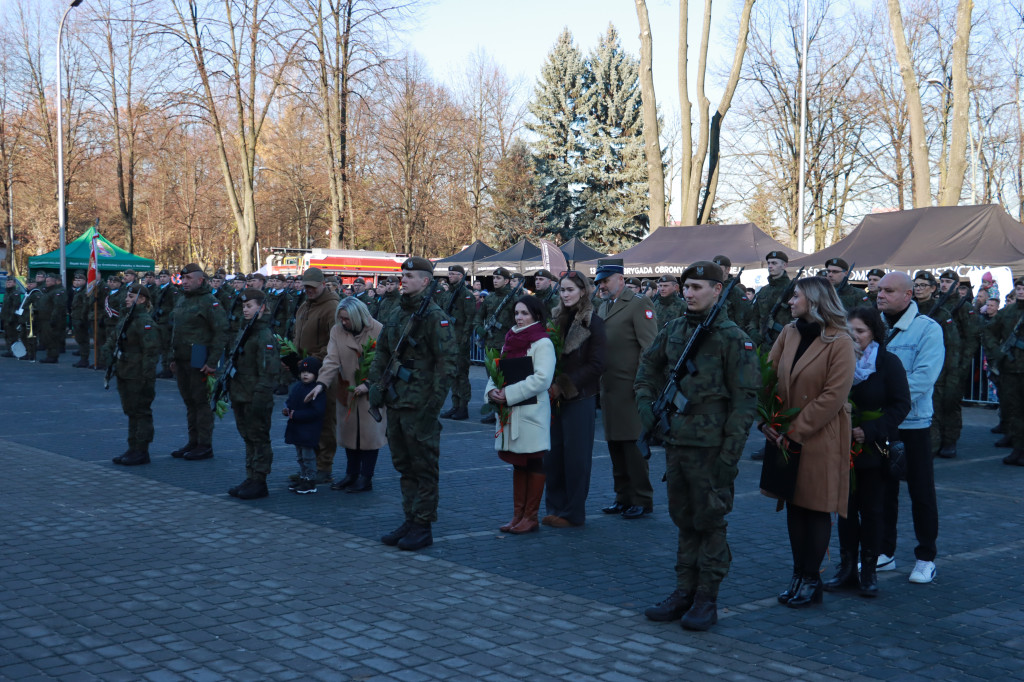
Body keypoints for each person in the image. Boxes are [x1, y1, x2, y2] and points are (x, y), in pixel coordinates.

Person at [636, 261, 758, 631]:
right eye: (685, 286)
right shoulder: (674, 329)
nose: (688, 293)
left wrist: (730, 456)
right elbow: (648, 368)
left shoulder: (733, 337)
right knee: (684, 520)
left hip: (712, 446)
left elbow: (745, 401)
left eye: (697, 287)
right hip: (676, 440)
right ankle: (683, 591)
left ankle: (707, 597)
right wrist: (646, 405)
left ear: (717, 290)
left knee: (710, 522)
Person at [762, 276, 856, 609]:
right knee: (794, 504)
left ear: (814, 300)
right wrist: (766, 420)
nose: (790, 301)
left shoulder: (840, 341)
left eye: (796, 295)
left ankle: (811, 579)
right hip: (785, 433)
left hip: (820, 435)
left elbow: (834, 396)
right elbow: (768, 375)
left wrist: (795, 430)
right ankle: (798, 574)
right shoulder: (789, 333)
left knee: (815, 507)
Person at [369, 257, 456, 551]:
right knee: (404, 465)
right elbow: (382, 352)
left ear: (425, 281)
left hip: (420, 406)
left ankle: (423, 525)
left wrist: (433, 407)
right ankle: (410, 518)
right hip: (396, 400)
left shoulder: (435, 317)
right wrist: (375, 386)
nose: (403, 280)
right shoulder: (395, 311)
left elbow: (447, 365)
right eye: (402, 275)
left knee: (424, 467)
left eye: (410, 276)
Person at [824, 306, 910, 597]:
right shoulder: (838, 360)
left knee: (872, 511)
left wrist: (870, 430)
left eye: (860, 331)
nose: (854, 336)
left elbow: (901, 405)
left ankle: (868, 570)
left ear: (874, 332)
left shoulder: (888, 362)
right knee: (846, 511)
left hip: (874, 449)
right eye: (849, 331)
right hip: (842, 448)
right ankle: (846, 568)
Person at [875, 271, 944, 583]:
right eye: (879, 290)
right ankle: (884, 552)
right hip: (880, 423)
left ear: (907, 295)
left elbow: (924, 376)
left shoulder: (927, 329)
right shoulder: (872, 326)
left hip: (913, 423)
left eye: (888, 290)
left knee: (921, 492)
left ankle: (926, 557)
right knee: (883, 491)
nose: (880, 294)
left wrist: (886, 399)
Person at [485, 295, 556, 534]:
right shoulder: (510, 339)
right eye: (517, 313)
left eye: (525, 313)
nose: (519, 317)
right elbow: (497, 370)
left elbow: (542, 379)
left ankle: (530, 517)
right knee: (518, 462)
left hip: (531, 410)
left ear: (536, 315)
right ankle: (517, 515)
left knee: (533, 459)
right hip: (511, 411)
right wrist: (492, 391)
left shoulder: (542, 342)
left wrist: (510, 393)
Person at [543, 270, 606, 529]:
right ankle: (555, 507)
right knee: (553, 455)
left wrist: (563, 385)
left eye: (570, 289)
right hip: (553, 397)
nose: (565, 294)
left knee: (576, 458)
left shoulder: (594, 322)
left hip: (579, 397)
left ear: (583, 291)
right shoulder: (555, 318)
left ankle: (573, 513)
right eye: (562, 290)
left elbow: (597, 364)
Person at [595, 259, 658, 519]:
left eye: (606, 281)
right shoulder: (602, 306)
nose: (601, 286)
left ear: (620, 279)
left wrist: (643, 384)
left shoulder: (638, 303)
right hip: (609, 388)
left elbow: (649, 347)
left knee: (632, 446)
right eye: (599, 282)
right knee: (615, 445)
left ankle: (642, 499)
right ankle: (622, 496)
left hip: (630, 387)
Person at [306, 296, 388, 493]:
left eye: (347, 319)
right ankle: (351, 474)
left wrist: (370, 385)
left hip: (371, 393)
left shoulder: (379, 330)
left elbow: (387, 363)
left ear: (358, 317)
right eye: (341, 318)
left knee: (369, 438)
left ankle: (366, 478)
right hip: (347, 390)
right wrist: (321, 384)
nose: (343, 322)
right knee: (350, 436)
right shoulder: (337, 331)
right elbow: (331, 360)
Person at [223, 288, 279, 500]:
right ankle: (251, 476)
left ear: (262, 308)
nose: (245, 310)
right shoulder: (246, 331)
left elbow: (268, 372)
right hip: (241, 394)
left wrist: (259, 399)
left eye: (249, 306)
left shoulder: (264, 335)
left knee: (259, 438)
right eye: (243, 306)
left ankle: (260, 480)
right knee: (248, 438)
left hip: (255, 397)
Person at [169, 264, 228, 461]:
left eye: (188, 279)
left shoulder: (209, 302)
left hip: (200, 359)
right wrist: (172, 357)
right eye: (182, 278)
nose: (184, 282)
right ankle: (193, 441)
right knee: (189, 403)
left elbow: (221, 333)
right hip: (182, 360)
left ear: (200, 280)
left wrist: (213, 362)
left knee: (201, 403)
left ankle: (204, 445)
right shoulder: (182, 300)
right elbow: (175, 330)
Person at [292, 267, 341, 484]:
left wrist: (312, 361)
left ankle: (324, 466)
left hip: (323, 372)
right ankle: (309, 466)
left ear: (323, 284)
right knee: (307, 419)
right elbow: (297, 336)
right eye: (306, 286)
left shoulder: (332, 307)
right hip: (304, 370)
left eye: (312, 286)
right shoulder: (304, 305)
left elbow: (335, 342)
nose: (308, 290)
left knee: (324, 419)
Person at [106, 283, 160, 466]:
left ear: (142, 299)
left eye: (131, 296)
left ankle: (141, 450)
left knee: (141, 412)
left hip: (138, 374)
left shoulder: (145, 322)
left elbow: (151, 352)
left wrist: (147, 377)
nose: (126, 299)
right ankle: (133, 447)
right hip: (125, 371)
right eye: (127, 296)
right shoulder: (127, 319)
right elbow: (114, 340)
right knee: (131, 411)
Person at [913, 270, 962, 459]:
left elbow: (952, 345)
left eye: (923, 285)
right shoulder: (910, 309)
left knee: (942, 407)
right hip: (915, 366)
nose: (918, 289)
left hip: (939, 369)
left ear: (933, 289)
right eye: (916, 285)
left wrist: (953, 373)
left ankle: (944, 443)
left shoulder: (942, 313)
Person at [983, 277, 1024, 466]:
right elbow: (989, 331)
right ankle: (1018, 448)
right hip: (1011, 369)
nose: (1022, 291)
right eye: (1019, 288)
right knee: (1013, 410)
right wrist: (997, 352)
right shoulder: (1007, 312)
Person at [283, 356, 327, 495]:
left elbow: (317, 411)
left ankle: (310, 480)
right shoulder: (297, 387)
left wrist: (296, 415)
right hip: (297, 429)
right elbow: (290, 402)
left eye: (309, 372)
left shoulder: (316, 390)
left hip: (309, 430)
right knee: (300, 456)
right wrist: (287, 409)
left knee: (308, 456)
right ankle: (303, 476)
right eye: (303, 372)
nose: (305, 374)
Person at [439, 265, 476, 421]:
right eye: (449, 273)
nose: (450, 276)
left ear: (461, 276)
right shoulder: (448, 295)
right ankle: (455, 404)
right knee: (452, 374)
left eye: (453, 274)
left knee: (461, 374)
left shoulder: (466, 295)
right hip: (449, 340)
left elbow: (470, 318)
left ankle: (463, 407)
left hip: (460, 339)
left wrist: (465, 337)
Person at [750, 251, 794, 349]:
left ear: (784, 265)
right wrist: (753, 332)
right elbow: (754, 316)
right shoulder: (763, 290)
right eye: (768, 263)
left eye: (774, 263)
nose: (770, 266)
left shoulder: (794, 288)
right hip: (763, 344)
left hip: (786, 343)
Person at [711, 255, 753, 331]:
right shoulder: (709, 288)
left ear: (728, 270)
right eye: (714, 267)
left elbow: (745, 316)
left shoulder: (735, 291)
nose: (715, 270)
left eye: (719, 267)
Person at [38, 272, 67, 364]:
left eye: (48, 281)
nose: (46, 282)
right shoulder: (47, 291)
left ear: (54, 282)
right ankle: (50, 355)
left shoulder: (56, 292)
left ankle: (52, 356)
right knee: (47, 338)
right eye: (46, 281)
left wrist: (53, 319)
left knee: (52, 339)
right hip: (44, 319)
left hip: (51, 319)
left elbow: (57, 307)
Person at [69, 271, 91, 368]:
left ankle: (84, 359)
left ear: (85, 281)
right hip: (76, 318)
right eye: (76, 280)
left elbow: (85, 306)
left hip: (81, 319)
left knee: (83, 340)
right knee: (79, 339)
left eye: (79, 280)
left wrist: (83, 319)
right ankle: (83, 358)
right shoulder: (77, 290)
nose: (77, 282)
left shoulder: (84, 291)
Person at [17, 278, 42, 361]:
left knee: (31, 338)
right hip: (24, 318)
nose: (29, 285)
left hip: (31, 319)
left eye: (31, 284)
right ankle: (28, 352)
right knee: (23, 336)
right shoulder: (28, 293)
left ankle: (32, 355)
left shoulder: (36, 294)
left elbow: (37, 308)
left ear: (35, 284)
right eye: (28, 284)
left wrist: (32, 319)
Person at [2, 275, 23, 356]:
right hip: (6, 318)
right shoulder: (7, 292)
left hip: (12, 318)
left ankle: (14, 351)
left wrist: (11, 318)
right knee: (7, 335)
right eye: (7, 282)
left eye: (10, 282)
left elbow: (15, 307)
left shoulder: (15, 293)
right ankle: (9, 351)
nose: (8, 283)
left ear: (14, 283)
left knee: (12, 335)